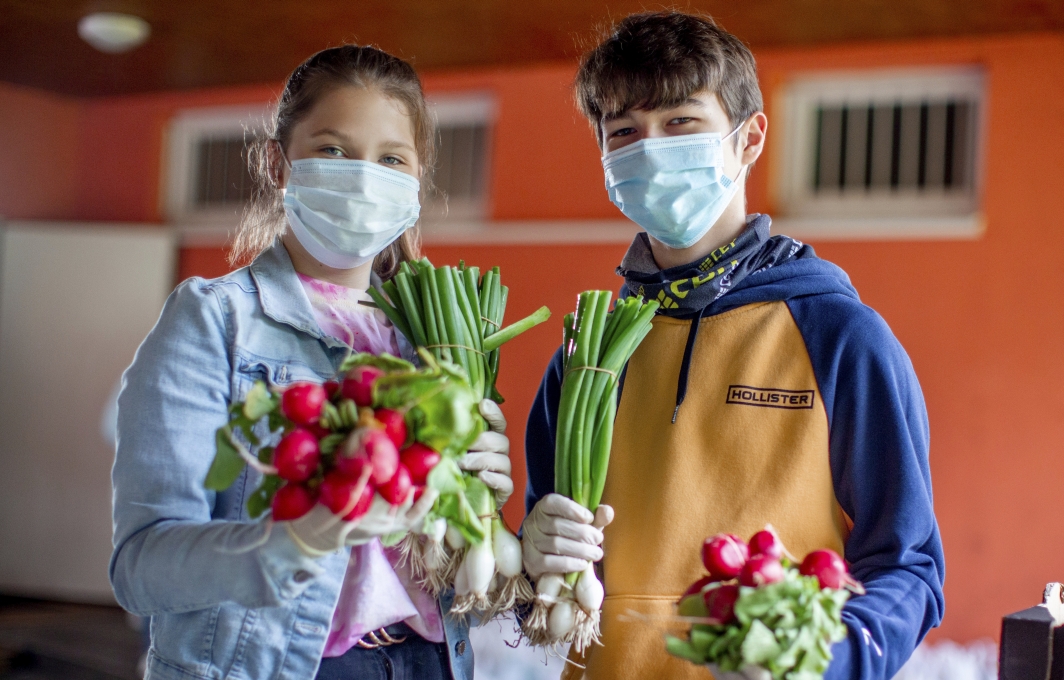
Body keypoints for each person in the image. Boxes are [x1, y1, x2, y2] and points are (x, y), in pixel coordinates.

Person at [521, 12, 944, 680]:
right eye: (624, 132)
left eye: (680, 122)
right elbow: (543, 589)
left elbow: (909, 568)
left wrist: (823, 662)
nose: (650, 148)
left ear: (749, 139)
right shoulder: (586, 356)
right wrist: (533, 556)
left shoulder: (843, 339)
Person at [110, 45, 514, 680]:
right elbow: (141, 567)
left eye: (390, 159)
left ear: (416, 179)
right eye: (332, 150)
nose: (362, 175)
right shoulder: (215, 319)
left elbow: (454, 555)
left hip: (433, 661)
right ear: (278, 162)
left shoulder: (435, 338)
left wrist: (483, 493)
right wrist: (295, 541)